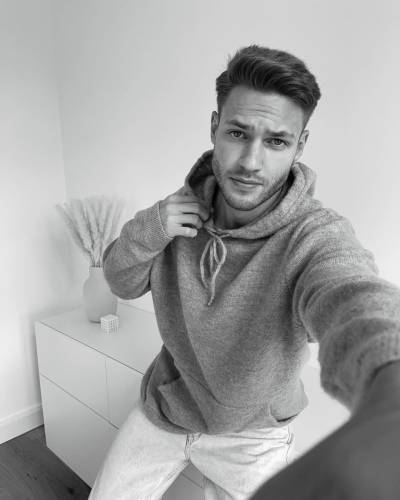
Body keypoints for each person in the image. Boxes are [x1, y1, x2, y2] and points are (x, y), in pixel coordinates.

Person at [88, 45, 400, 500]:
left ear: (300, 146)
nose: (251, 162)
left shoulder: (313, 234)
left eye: (276, 142)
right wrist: (150, 227)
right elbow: (120, 281)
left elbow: (351, 292)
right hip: (168, 408)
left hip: (253, 435)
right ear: (215, 127)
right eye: (238, 133)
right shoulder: (175, 215)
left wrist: (389, 375)